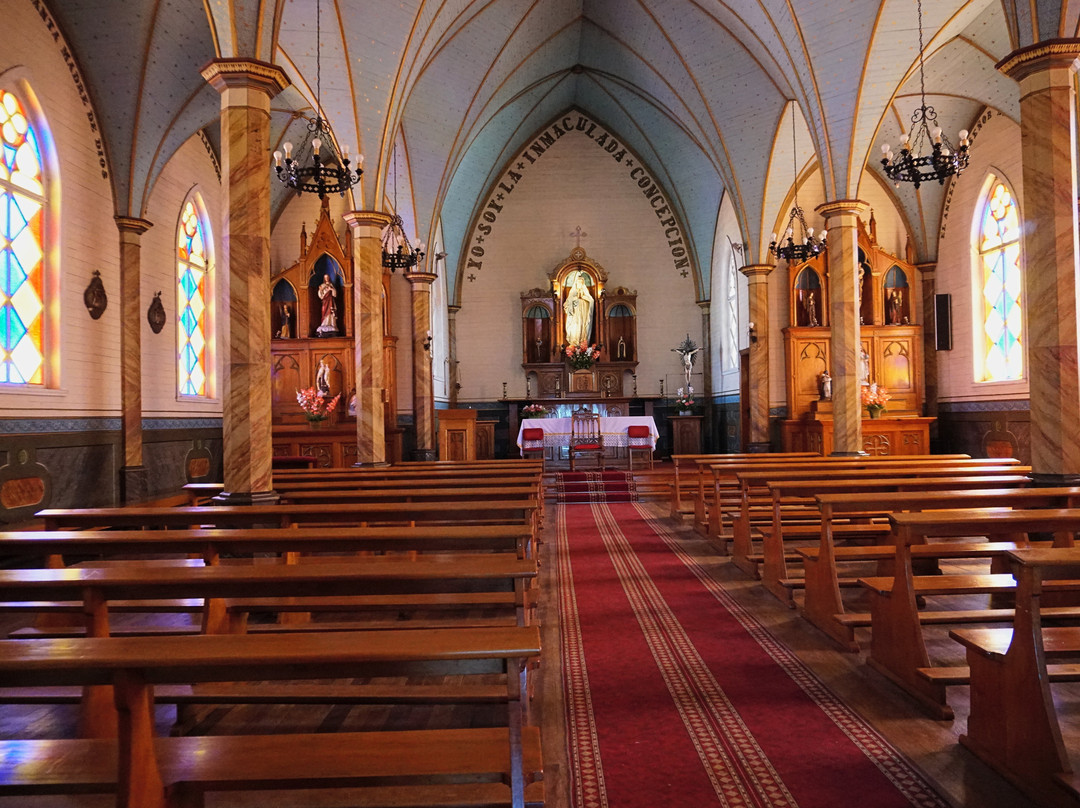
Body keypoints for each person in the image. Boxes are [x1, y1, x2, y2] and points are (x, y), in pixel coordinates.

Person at [564, 271, 594, 346]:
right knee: (575, 327)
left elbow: (591, 301)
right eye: (578, 283)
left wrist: (583, 297)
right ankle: (575, 343)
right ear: (576, 284)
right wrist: (575, 299)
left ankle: (583, 343)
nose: (579, 284)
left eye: (581, 283)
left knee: (583, 327)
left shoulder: (586, 294)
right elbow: (566, 304)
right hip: (575, 315)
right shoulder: (572, 294)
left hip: (584, 315)